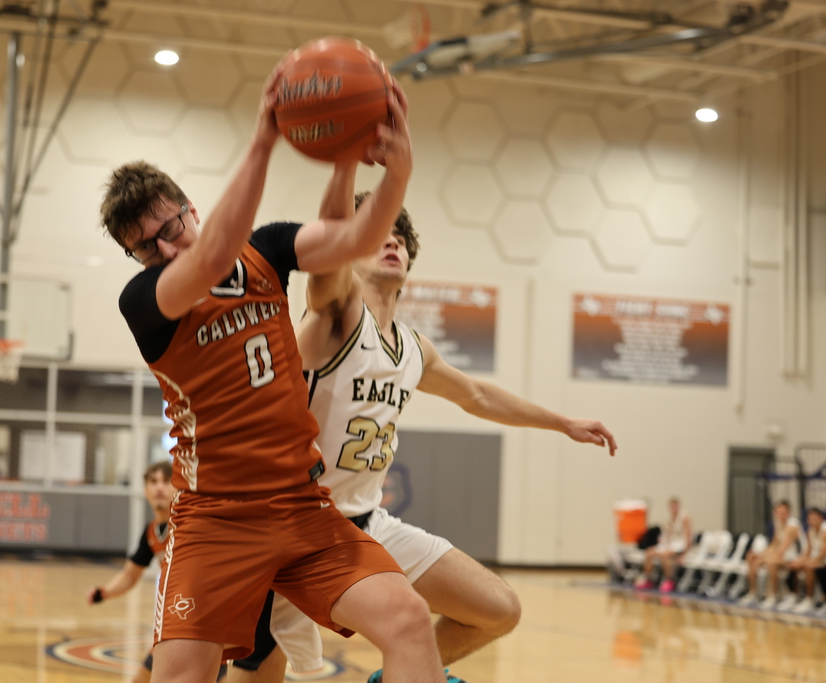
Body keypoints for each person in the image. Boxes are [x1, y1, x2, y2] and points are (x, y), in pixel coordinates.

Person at [101, 59, 447, 683]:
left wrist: (398, 169)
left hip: (301, 506)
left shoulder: (268, 250)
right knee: (180, 676)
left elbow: (355, 236)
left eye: (171, 227)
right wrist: (264, 139)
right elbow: (206, 258)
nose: (166, 249)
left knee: (409, 621)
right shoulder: (144, 301)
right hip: (215, 518)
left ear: (189, 208)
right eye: (147, 246)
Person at [228, 181, 618, 683]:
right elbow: (327, 255)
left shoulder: (413, 348)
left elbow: (475, 395)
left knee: (498, 608)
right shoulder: (338, 313)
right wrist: (350, 164)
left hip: (365, 523)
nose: (393, 242)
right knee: (260, 671)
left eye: (401, 237)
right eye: (377, 234)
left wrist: (563, 423)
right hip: (294, 528)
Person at [86, 461, 229, 683]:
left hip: (210, 621)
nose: (159, 488)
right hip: (179, 622)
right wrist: (104, 592)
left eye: (166, 481)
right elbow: (130, 575)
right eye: (153, 482)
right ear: (145, 490)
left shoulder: (193, 523)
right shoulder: (152, 531)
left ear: (179, 487)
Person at [737, 499, 806, 609]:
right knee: (752, 557)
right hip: (784, 557)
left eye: (784, 513)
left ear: (789, 513)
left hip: (796, 557)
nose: (781, 515)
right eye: (779, 513)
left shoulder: (792, 526)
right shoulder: (778, 524)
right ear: (775, 512)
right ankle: (753, 593)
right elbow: (774, 545)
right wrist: (760, 555)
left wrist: (765, 558)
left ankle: (772, 596)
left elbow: (782, 550)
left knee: (771, 563)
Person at [635, 497, 691, 592]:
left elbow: (688, 536)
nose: (673, 508)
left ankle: (669, 580)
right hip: (669, 544)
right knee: (649, 553)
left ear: (679, 506)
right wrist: (662, 545)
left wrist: (684, 554)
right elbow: (666, 535)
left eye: (675, 506)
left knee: (665, 555)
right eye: (671, 506)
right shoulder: (668, 518)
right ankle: (648, 579)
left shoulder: (684, 517)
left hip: (680, 544)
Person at [787, 507, 826, 613]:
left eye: (815, 518)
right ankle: (794, 596)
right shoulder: (810, 532)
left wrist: (811, 561)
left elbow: (823, 553)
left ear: (821, 519)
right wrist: (799, 560)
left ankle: (810, 600)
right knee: (795, 565)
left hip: (823, 560)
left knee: (808, 567)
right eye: (810, 519)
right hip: (818, 560)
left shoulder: (824, 531)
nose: (812, 521)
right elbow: (807, 552)